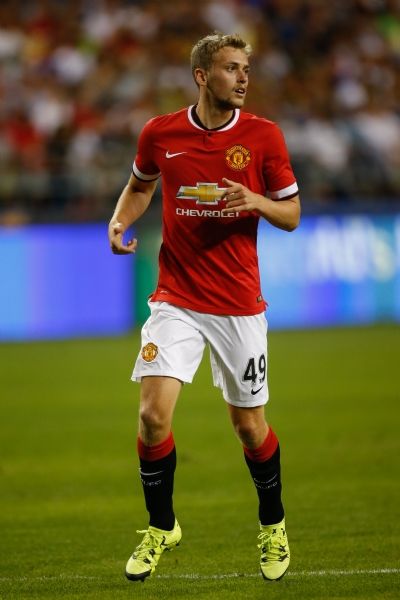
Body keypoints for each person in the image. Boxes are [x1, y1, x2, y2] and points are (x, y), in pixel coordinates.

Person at [108, 32, 300, 583]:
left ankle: (272, 523)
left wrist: (256, 200)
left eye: (246, 69)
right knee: (152, 416)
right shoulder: (160, 132)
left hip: (238, 305)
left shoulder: (263, 136)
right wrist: (119, 221)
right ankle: (161, 526)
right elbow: (140, 186)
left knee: (249, 426)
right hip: (177, 299)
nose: (243, 78)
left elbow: (291, 215)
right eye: (232, 68)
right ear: (201, 75)